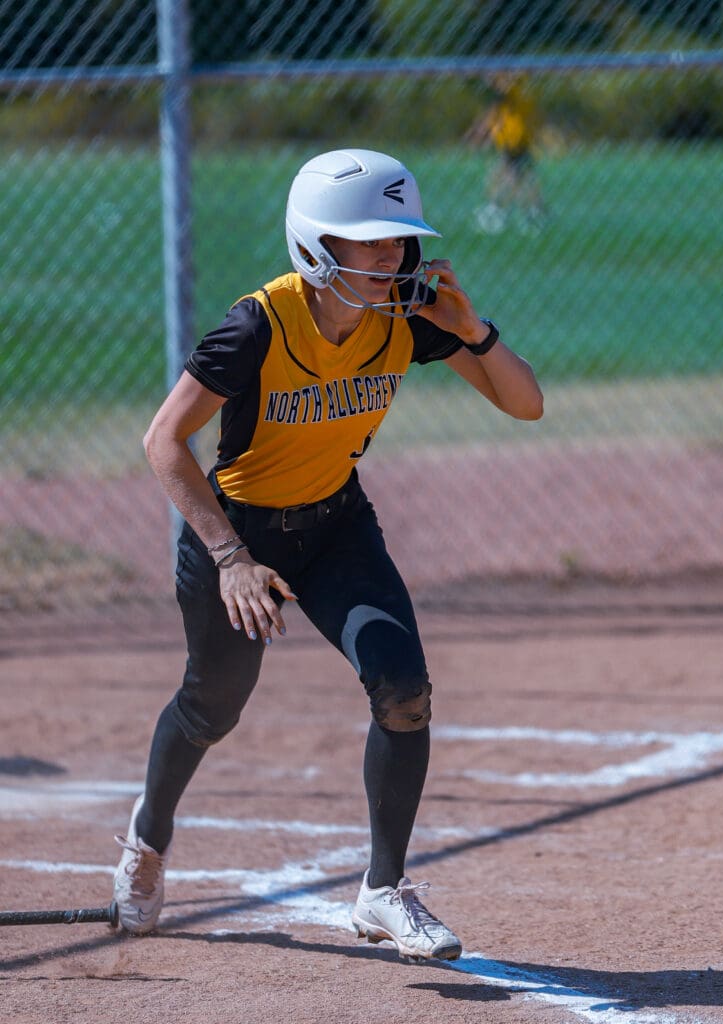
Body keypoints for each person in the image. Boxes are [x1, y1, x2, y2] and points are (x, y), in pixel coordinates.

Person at [113, 148, 543, 960]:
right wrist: (231, 558)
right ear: (316, 245)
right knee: (212, 707)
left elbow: (526, 405)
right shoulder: (258, 325)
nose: (392, 255)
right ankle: (146, 840)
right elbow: (163, 440)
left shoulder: (406, 317)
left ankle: (383, 890)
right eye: (370, 240)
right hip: (240, 536)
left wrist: (472, 331)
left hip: (338, 528)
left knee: (403, 690)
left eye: (398, 240)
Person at [472, 73, 548, 234]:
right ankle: (532, 209)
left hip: (514, 142)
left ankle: (502, 208)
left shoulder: (512, 91)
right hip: (511, 142)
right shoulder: (506, 99)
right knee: (516, 177)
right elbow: (492, 118)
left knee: (509, 177)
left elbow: (503, 90)